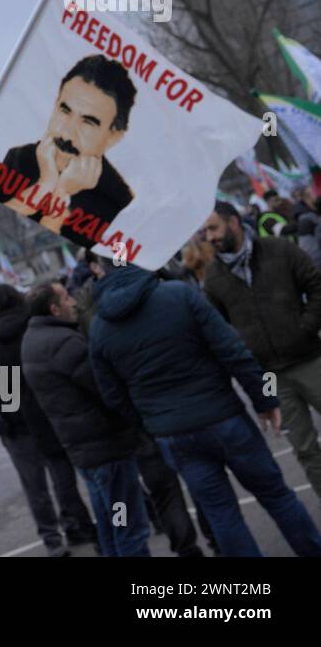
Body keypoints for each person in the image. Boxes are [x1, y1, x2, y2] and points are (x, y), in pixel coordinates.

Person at [89, 262, 321, 557]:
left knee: (222, 513)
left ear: (102, 272)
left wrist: (151, 421)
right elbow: (233, 351)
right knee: (276, 495)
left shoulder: (100, 328)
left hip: (173, 432)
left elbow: (112, 395)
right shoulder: (178, 295)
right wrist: (265, 400)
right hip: (223, 416)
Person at [20, 280, 151, 557]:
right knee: (128, 526)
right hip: (105, 448)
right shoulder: (63, 342)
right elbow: (104, 388)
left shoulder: (33, 340)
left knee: (110, 523)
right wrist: (135, 418)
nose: (74, 303)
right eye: (67, 299)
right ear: (54, 309)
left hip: (84, 450)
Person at [202, 201, 321, 502]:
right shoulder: (214, 279)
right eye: (205, 232)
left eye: (213, 228)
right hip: (270, 375)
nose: (209, 237)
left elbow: (317, 284)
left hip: (309, 358)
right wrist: (257, 385)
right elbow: (217, 329)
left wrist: (306, 326)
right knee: (305, 449)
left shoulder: (278, 249)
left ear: (233, 222)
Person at [0, 284, 95, 556]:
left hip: (14, 422)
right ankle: (76, 525)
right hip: (45, 413)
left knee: (34, 486)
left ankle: (52, 539)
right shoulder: (34, 327)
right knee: (64, 477)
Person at [0, 54, 136, 249]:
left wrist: (60, 193)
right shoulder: (18, 159)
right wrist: (46, 184)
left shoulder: (118, 199)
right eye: (64, 111)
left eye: (88, 122)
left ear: (113, 136)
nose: (67, 131)